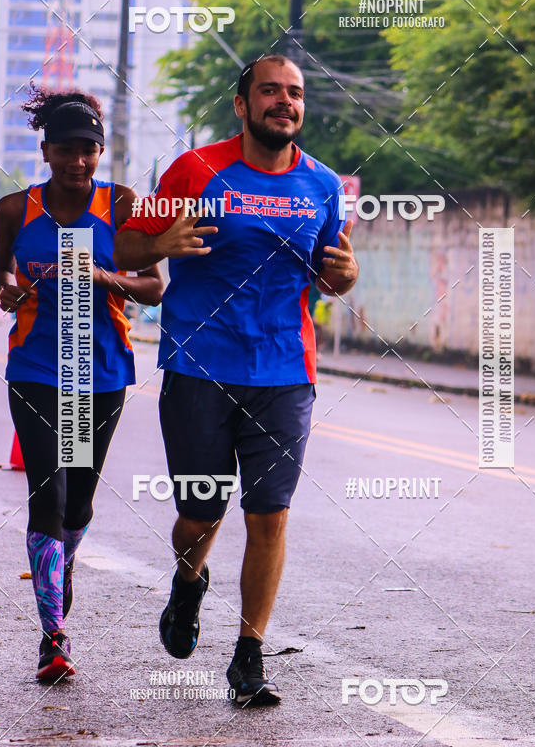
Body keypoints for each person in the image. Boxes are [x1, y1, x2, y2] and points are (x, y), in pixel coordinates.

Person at [113, 54, 359, 705]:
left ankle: (249, 656)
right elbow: (126, 248)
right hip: (199, 366)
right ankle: (188, 580)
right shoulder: (195, 171)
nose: (285, 102)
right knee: (200, 512)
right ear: (242, 104)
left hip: (284, 370)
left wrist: (348, 276)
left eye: (295, 93)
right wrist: (163, 242)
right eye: (271, 91)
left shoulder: (324, 185)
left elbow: (334, 272)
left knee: (269, 515)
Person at [0, 86, 163, 680]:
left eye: (87, 150)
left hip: (101, 371)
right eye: (65, 149)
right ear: (46, 148)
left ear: (101, 150)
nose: (77, 161)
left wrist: (101, 275)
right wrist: (8, 288)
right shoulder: (16, 208)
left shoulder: (121, 204)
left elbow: (154, 286)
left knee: (79, 502)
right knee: (49, 493)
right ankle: (53, 636)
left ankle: (56, 582)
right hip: (37, 369)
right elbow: (0, 265)